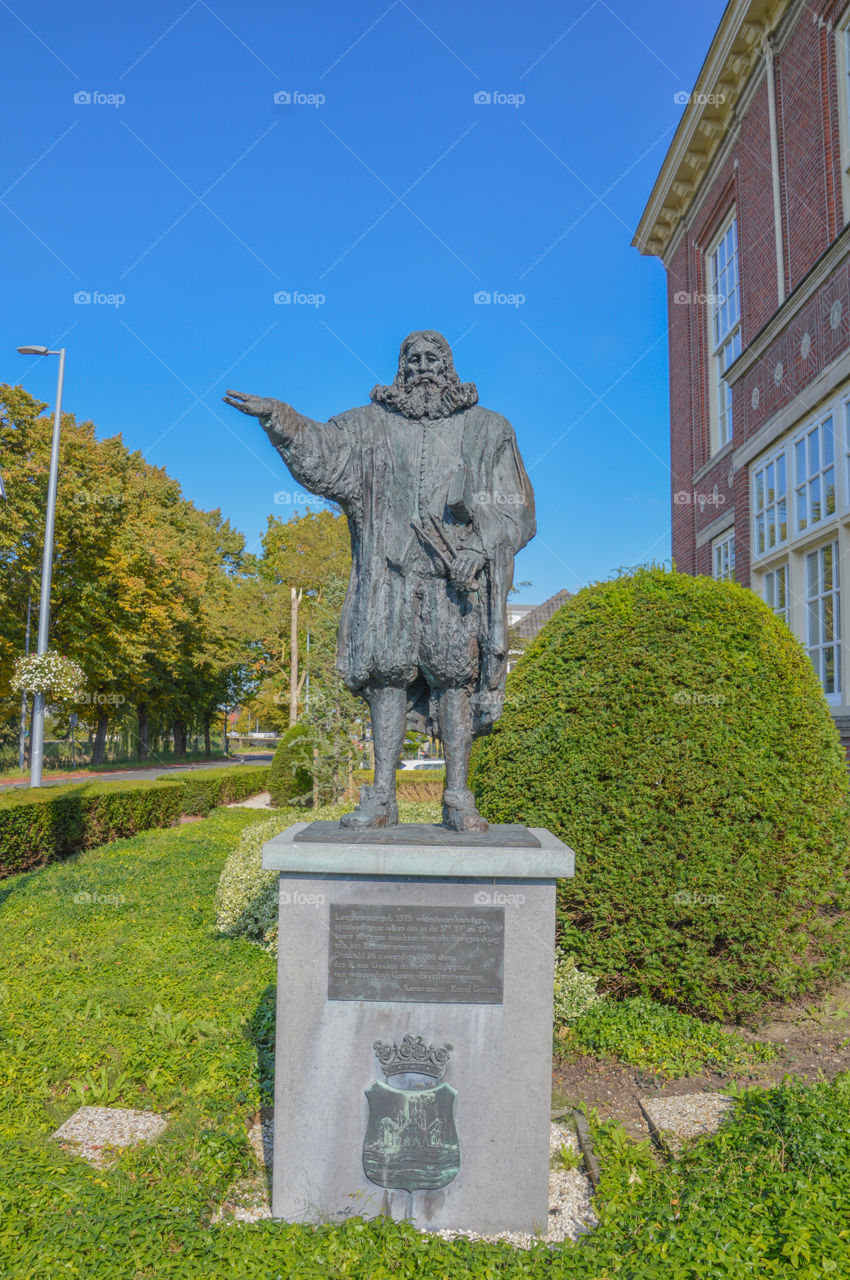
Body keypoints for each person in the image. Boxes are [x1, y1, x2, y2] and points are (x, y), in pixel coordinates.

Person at [224, 330, 535, 831]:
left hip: (453, 583)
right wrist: (281, 420)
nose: (423, 367)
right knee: (387, 676)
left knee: (454, 678)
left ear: (449, 366)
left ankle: (457, 797)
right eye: (413, 359)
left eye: (433, 358)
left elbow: (515, 508)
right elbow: (327, 455)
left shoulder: (488, 428)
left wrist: (479, 548)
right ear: (401, 369)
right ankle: (382, 797)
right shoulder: (369, 426)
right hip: (388, 578)